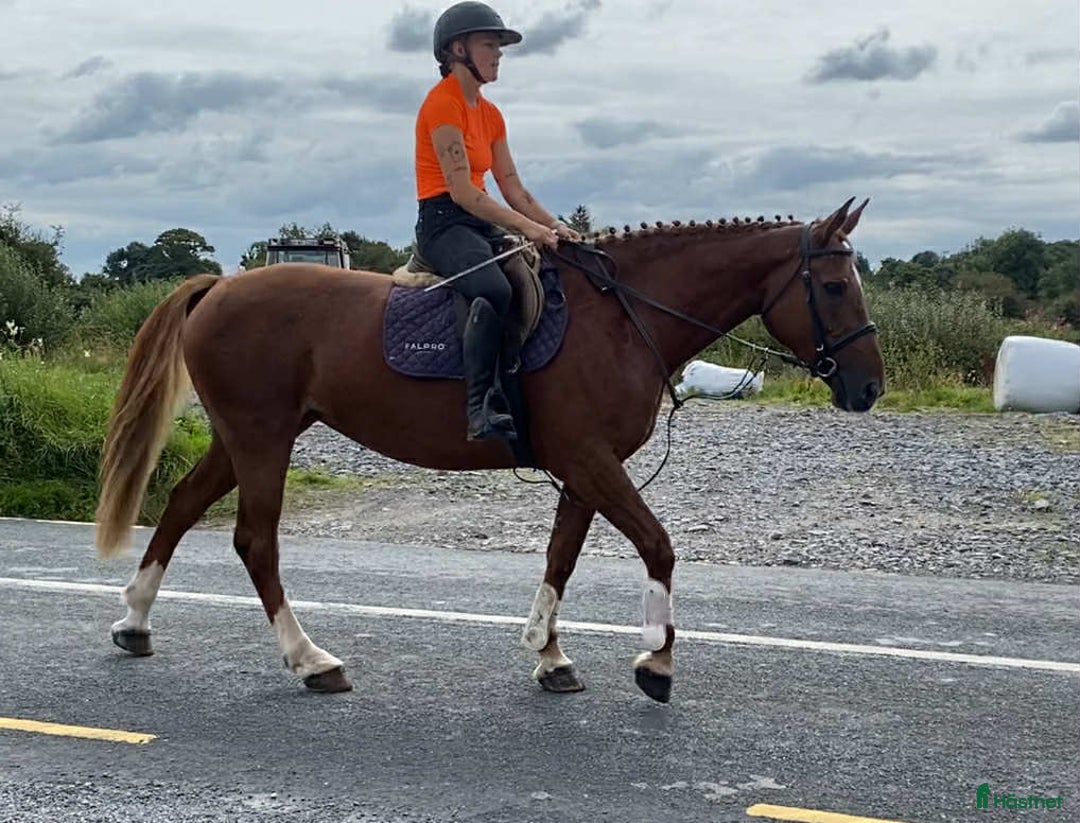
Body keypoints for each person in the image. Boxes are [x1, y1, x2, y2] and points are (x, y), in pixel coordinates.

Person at [415, 1, 581, 441]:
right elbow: (463, 191)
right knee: (492, 287)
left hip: (481, 221)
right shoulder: (442, 104)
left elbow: (513, 187)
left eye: (499, 46)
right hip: (443, 223)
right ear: (457, 49)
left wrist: (556, 227)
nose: (499, 54)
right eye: (490, 44)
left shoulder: (490, 114)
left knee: (543, 276)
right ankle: (480, 407)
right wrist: (527, 229)